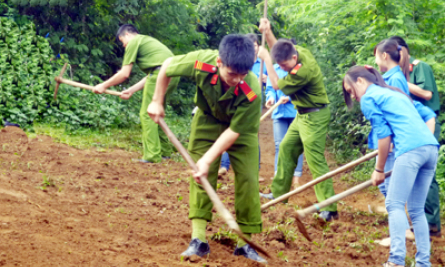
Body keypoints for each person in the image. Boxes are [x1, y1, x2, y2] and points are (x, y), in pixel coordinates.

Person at [147, 34, 265, 263]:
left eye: (243, 74)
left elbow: (233, 132)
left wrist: (209, 158)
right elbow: (167, 67)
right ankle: (198, 240)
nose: (238, 79)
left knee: (249, 180)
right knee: (201, 178)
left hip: (240, 130)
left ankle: (244, 244)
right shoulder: (201, 62)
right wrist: (157, 100)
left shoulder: (252, 91)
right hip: (207, 118)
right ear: (219, 62)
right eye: (232, 73)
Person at [342, 65, 438, 267]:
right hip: (430, 149)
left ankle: (396, 261)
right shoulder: (394, 92)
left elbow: (383, 136)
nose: (355, 97)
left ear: (360, 81)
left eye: (351, 91)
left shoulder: (369, 97)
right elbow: (416, 119)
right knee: (416, 210)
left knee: (394, 204)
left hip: (410, 151)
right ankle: (423, 263)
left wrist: (379, 170)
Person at [257, 18, 337, 221]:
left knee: (315, 158)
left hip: (315, 115)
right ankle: (279, 194)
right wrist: (268, 32)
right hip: (302, 115)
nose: (282, 68)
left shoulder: (303, 71)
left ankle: (329, 207)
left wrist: (267, 60)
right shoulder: (295, 51)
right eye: (280, 65)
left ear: (294, 58)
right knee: (286, 148)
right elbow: (278, 49)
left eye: (284, 65)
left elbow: (275, 85)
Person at [93, 24, 179, 163]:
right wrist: (131, 90)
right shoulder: (147, 41)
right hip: (173, 74)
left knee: (147, 113)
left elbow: (124, 73)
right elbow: (153, 74)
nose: (124, 46)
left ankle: (152, 155)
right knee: (156, 111)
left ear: (126, 35)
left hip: (161, 74)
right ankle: (164, 151)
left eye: (122, 42)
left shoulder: (134, 41)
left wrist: (103, 85)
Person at [389, 36, 442, 237]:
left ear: (402, 52)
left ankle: (431, 222)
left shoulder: (419, 67)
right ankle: (420, 219)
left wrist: (398, 82)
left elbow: (427, 94)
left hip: (428, 123)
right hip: (413, 125)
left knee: (426, 173)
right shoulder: (400, 74)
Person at [218, 33, 267, 177]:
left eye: (255, 46)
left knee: (250, 134)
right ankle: (224, 165)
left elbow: (271, 82)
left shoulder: (260, 63)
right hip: (234, 98)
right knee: (229, 129)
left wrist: (266, 79)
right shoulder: (233, 59)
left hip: (251, 99)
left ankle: (253, 169)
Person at [372, 38, 410, 198]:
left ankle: (398, 218)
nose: (375, 61)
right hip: (390, 140)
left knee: (389, 187)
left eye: (376, 56)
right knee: (385, 187)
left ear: (385, 56)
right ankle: (396, 217)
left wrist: (394, 140)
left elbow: (399, 111)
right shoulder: (391, 77)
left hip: (393, 142)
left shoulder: (395, 79)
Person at [265, 64, 303, 186]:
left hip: (296, 113)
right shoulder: (273, 69)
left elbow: (301, 90)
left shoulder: (298, 69)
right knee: (279, 145)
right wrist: (270, 98)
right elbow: (270, 89)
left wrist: (290, 98)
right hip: (278, 113)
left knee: (297, 145)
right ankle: (279, 176)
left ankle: (296, 178)